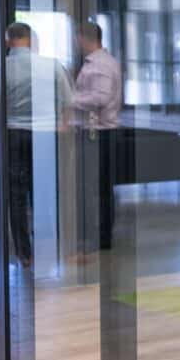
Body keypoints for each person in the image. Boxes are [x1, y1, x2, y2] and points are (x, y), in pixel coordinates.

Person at [3, 21, 72, 269]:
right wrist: (61, 125)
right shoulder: (51, 65)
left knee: (17, 194)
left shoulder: (1, 68)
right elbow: (68, 100)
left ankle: (25, 253)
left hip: (13, 133)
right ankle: (47, 245)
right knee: (44, 191)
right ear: (30, 39)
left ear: (8, 40)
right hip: (44, 133)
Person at [69, 20, 123, 250]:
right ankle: (100, 236)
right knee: (100, 187)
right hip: (100, 132)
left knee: (98, 187)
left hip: (99, 133)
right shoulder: (102, 61)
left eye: (77, 37)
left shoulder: (100, 64)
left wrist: (70, 99)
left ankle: (102, 238)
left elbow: (100, 98)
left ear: (84, 38)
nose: (76, 42)